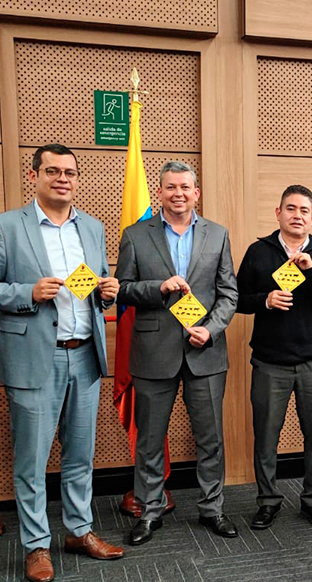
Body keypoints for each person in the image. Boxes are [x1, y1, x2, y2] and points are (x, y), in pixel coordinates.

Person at [0, 144, 124, 582]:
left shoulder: (91, 228)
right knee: (32, 460)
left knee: (80, 455)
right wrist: (25, 293)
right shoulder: (6, 227)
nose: (62, 178)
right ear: (34, 174)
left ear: (77, 179)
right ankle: (36, 545)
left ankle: (78, 531)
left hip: (85, 355)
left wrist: (107, 290)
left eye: (70, 172)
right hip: (36, 356)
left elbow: (94, 283)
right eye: (52, 170)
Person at [116, 161, 239, 544]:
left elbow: (228, 293)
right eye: (171, 187)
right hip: (154, 352)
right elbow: (122, 289)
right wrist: (158, 287)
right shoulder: (136, 235)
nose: (178, 194)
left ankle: (212, 509)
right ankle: (150, 512)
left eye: (185, 187)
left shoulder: (217, 235)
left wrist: (212, 328)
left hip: (205, 352)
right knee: (150, 439)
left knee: (210, 438)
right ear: (161, 191)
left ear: (196, 192)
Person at [236, 185, 312, 530]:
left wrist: (311, 270)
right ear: (278, 213)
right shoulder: (258, 252)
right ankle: (267, 500)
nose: (297, 215)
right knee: (266, 435)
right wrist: (264, 300)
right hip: (269, 362)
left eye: (303, 211)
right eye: (290, 209)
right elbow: (236, 299)